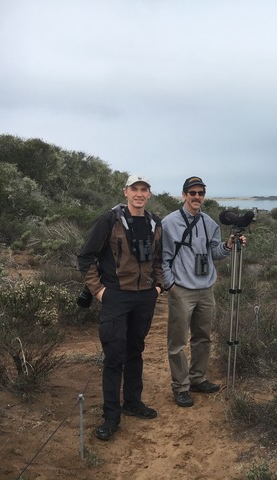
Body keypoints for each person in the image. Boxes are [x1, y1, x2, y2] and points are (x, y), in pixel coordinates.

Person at [77, 174, 163, 440]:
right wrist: (100, 291)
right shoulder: (109, 220)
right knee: (114, 356)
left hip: (145, 297)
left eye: (144, 189)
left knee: (135, 350)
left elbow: (159, 258)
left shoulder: (154, 222)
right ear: (126, 192)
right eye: (134, 189)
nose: (139, 193)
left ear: (149, 194)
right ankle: (111, 416)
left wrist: (158, 287)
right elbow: (86, 256)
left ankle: (133, 403)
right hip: (116, 296)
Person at [161, 176, 245, 407]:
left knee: (203, 338)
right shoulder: (169, 223)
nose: (197, 197)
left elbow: (215, 254)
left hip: (206, 290)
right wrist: (171, 285)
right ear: (184, 195)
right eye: (192, 193)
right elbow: (163, 258)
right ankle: (180, 386)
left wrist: (228, 246)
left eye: (201, 193)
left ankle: (197, 378)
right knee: (177, 342)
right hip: (182, 291)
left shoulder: (209, 223)